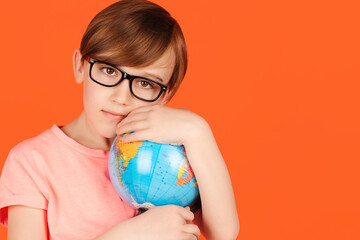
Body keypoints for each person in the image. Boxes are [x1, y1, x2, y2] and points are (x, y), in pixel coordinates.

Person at [0, 0, 239, 239]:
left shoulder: (169, 154)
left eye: (145, 83)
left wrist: (198, 131)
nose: (121, 98)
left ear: (167, 93)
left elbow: (223, 234)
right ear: (79, 66)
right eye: (109, 70)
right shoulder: (32, 162)